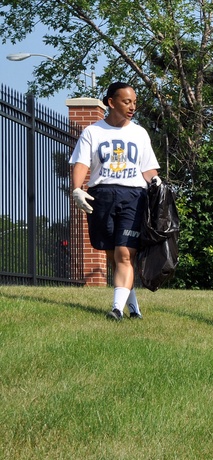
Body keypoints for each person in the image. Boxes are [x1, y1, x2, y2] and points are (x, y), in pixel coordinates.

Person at [70, 82, 161, 321]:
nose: (132, 107)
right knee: (112, 254)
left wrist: (157, 183)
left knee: (125, 251)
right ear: (111, 102)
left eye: (134, 102)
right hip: (103, 195)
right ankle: (133, 307)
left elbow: (148, 169)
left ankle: (117, 309)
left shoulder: (139, 133)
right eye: (126, 102)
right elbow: (82, 163)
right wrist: (77, 189)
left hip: (133, 196)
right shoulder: (93, 132)